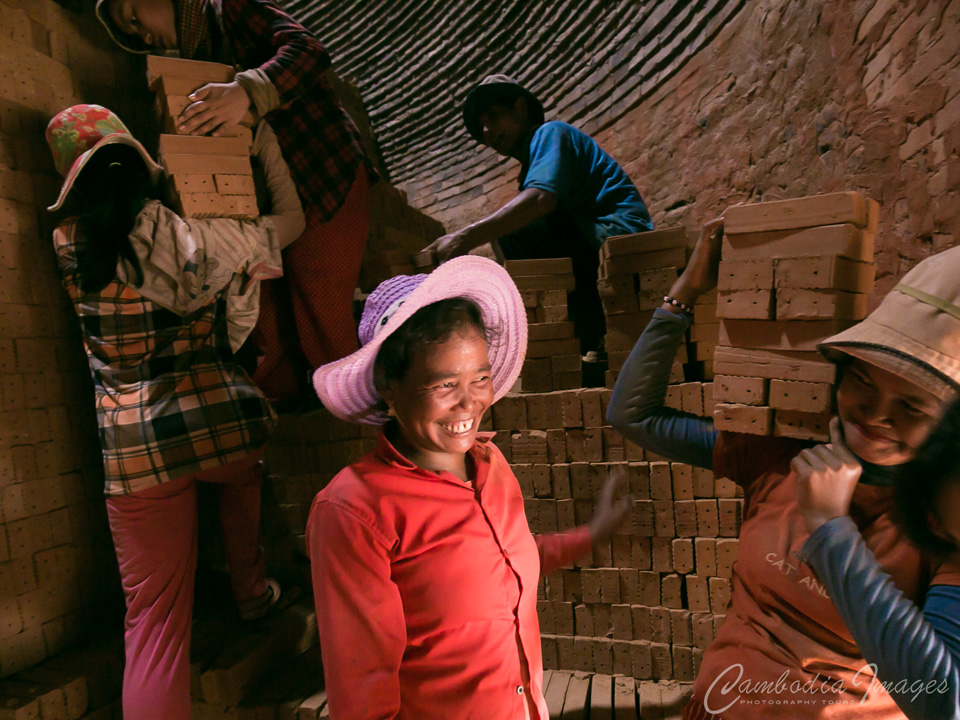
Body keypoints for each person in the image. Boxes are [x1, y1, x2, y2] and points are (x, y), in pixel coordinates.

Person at [606, 216, 960, 718]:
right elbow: (632, 414)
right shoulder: (781, 455)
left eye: (913, 407)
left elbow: (944, 701)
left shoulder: (943, 524)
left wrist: (832, 527)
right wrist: (689, 287)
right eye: (862, 379)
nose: (875, 413)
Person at [46, 103, 305, 719]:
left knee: (155, 624)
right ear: (143, 168)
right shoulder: (199, 232)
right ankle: (251, 590)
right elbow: (288, 226)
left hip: (138, 455)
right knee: (244, 473)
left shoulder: (66, 244)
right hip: (220, 425)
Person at [306, 256, 632, 719]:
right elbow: (361, 691)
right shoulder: (355, 511)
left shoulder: (492, 466)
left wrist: (591, 534)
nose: (471, 401)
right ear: (389, 387)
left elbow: (497, 565)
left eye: (480, 378)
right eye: (444, 384)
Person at [96, 0, 377, 404]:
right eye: (132, 33)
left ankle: (363, 417)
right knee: (268, 321)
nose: (141, 33)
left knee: (320, 306)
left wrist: (248, 90)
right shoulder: (201, 61)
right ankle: (298, 431)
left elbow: (308, 50)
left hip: (322, 174)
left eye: (134, 16)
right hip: (271, 204)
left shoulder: (230, 9)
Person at [427, 74, 654, 354]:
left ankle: (583, 331)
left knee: (512, 228)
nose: (487, 132)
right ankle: (573, 336)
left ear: (521, 108)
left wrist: (463, 238)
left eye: (494, 117)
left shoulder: (551, 133)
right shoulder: (531, 164)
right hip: (591, 244)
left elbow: (540, 200)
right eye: (481, 127)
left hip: (620, 237)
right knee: (510, 233)